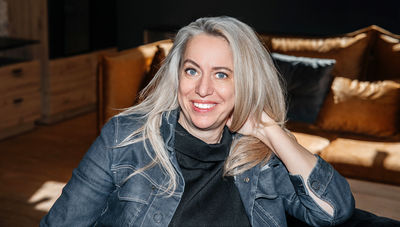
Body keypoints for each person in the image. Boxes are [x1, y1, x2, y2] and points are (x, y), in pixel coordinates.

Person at [41, 16, 355, 226]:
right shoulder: (126, 139)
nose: (202, 89)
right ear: (177, 76)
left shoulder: (259, 158)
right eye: (192, 70)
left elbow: (332, 211)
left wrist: (268, 129)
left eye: (222, 74)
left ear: (244, 83)